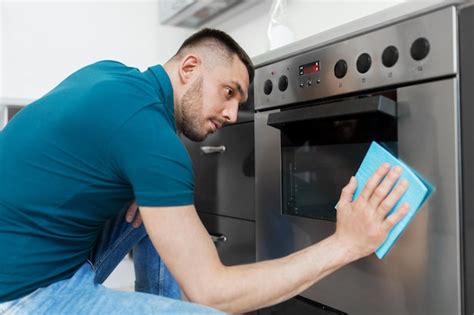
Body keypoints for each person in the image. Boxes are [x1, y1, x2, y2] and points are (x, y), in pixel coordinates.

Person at [0, 28, 409, 314]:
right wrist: (347, 243)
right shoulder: (151, 139)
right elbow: (211, 293)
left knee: (158, 207)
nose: (232, 114)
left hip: (29, 256)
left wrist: (136, 183)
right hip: (25, 295)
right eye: (228, 92)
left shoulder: (113, 76)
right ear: (189, 67)